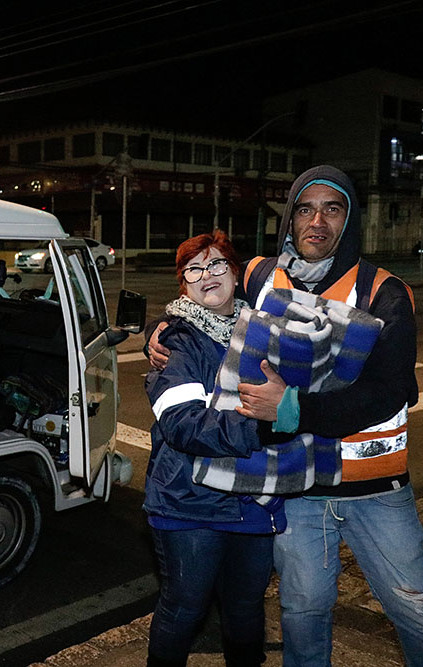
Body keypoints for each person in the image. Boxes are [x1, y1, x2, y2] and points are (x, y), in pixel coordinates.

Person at [148, 166, 423, 667]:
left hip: (373, 487)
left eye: (332, 209)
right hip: (298, 489)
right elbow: (206, 299)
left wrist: (292, 409)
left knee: (416, 606)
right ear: (289, 219)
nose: (317, 220)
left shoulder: (384, 290)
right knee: (302, 611)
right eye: (304, 209)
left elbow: (394, 391)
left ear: (349, 219)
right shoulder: (261, 274)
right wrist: (160, 331)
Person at [144, 230, 284, 667]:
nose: (207, 274)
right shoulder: (178, 341)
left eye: (217, 263)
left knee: (246, 611)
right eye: (194, 268)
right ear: (183, 285)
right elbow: (182, 424)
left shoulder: (266, 332)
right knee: (183, 608)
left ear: (236, 273)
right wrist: (263, 426)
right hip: (189, 504)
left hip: (254, 500)